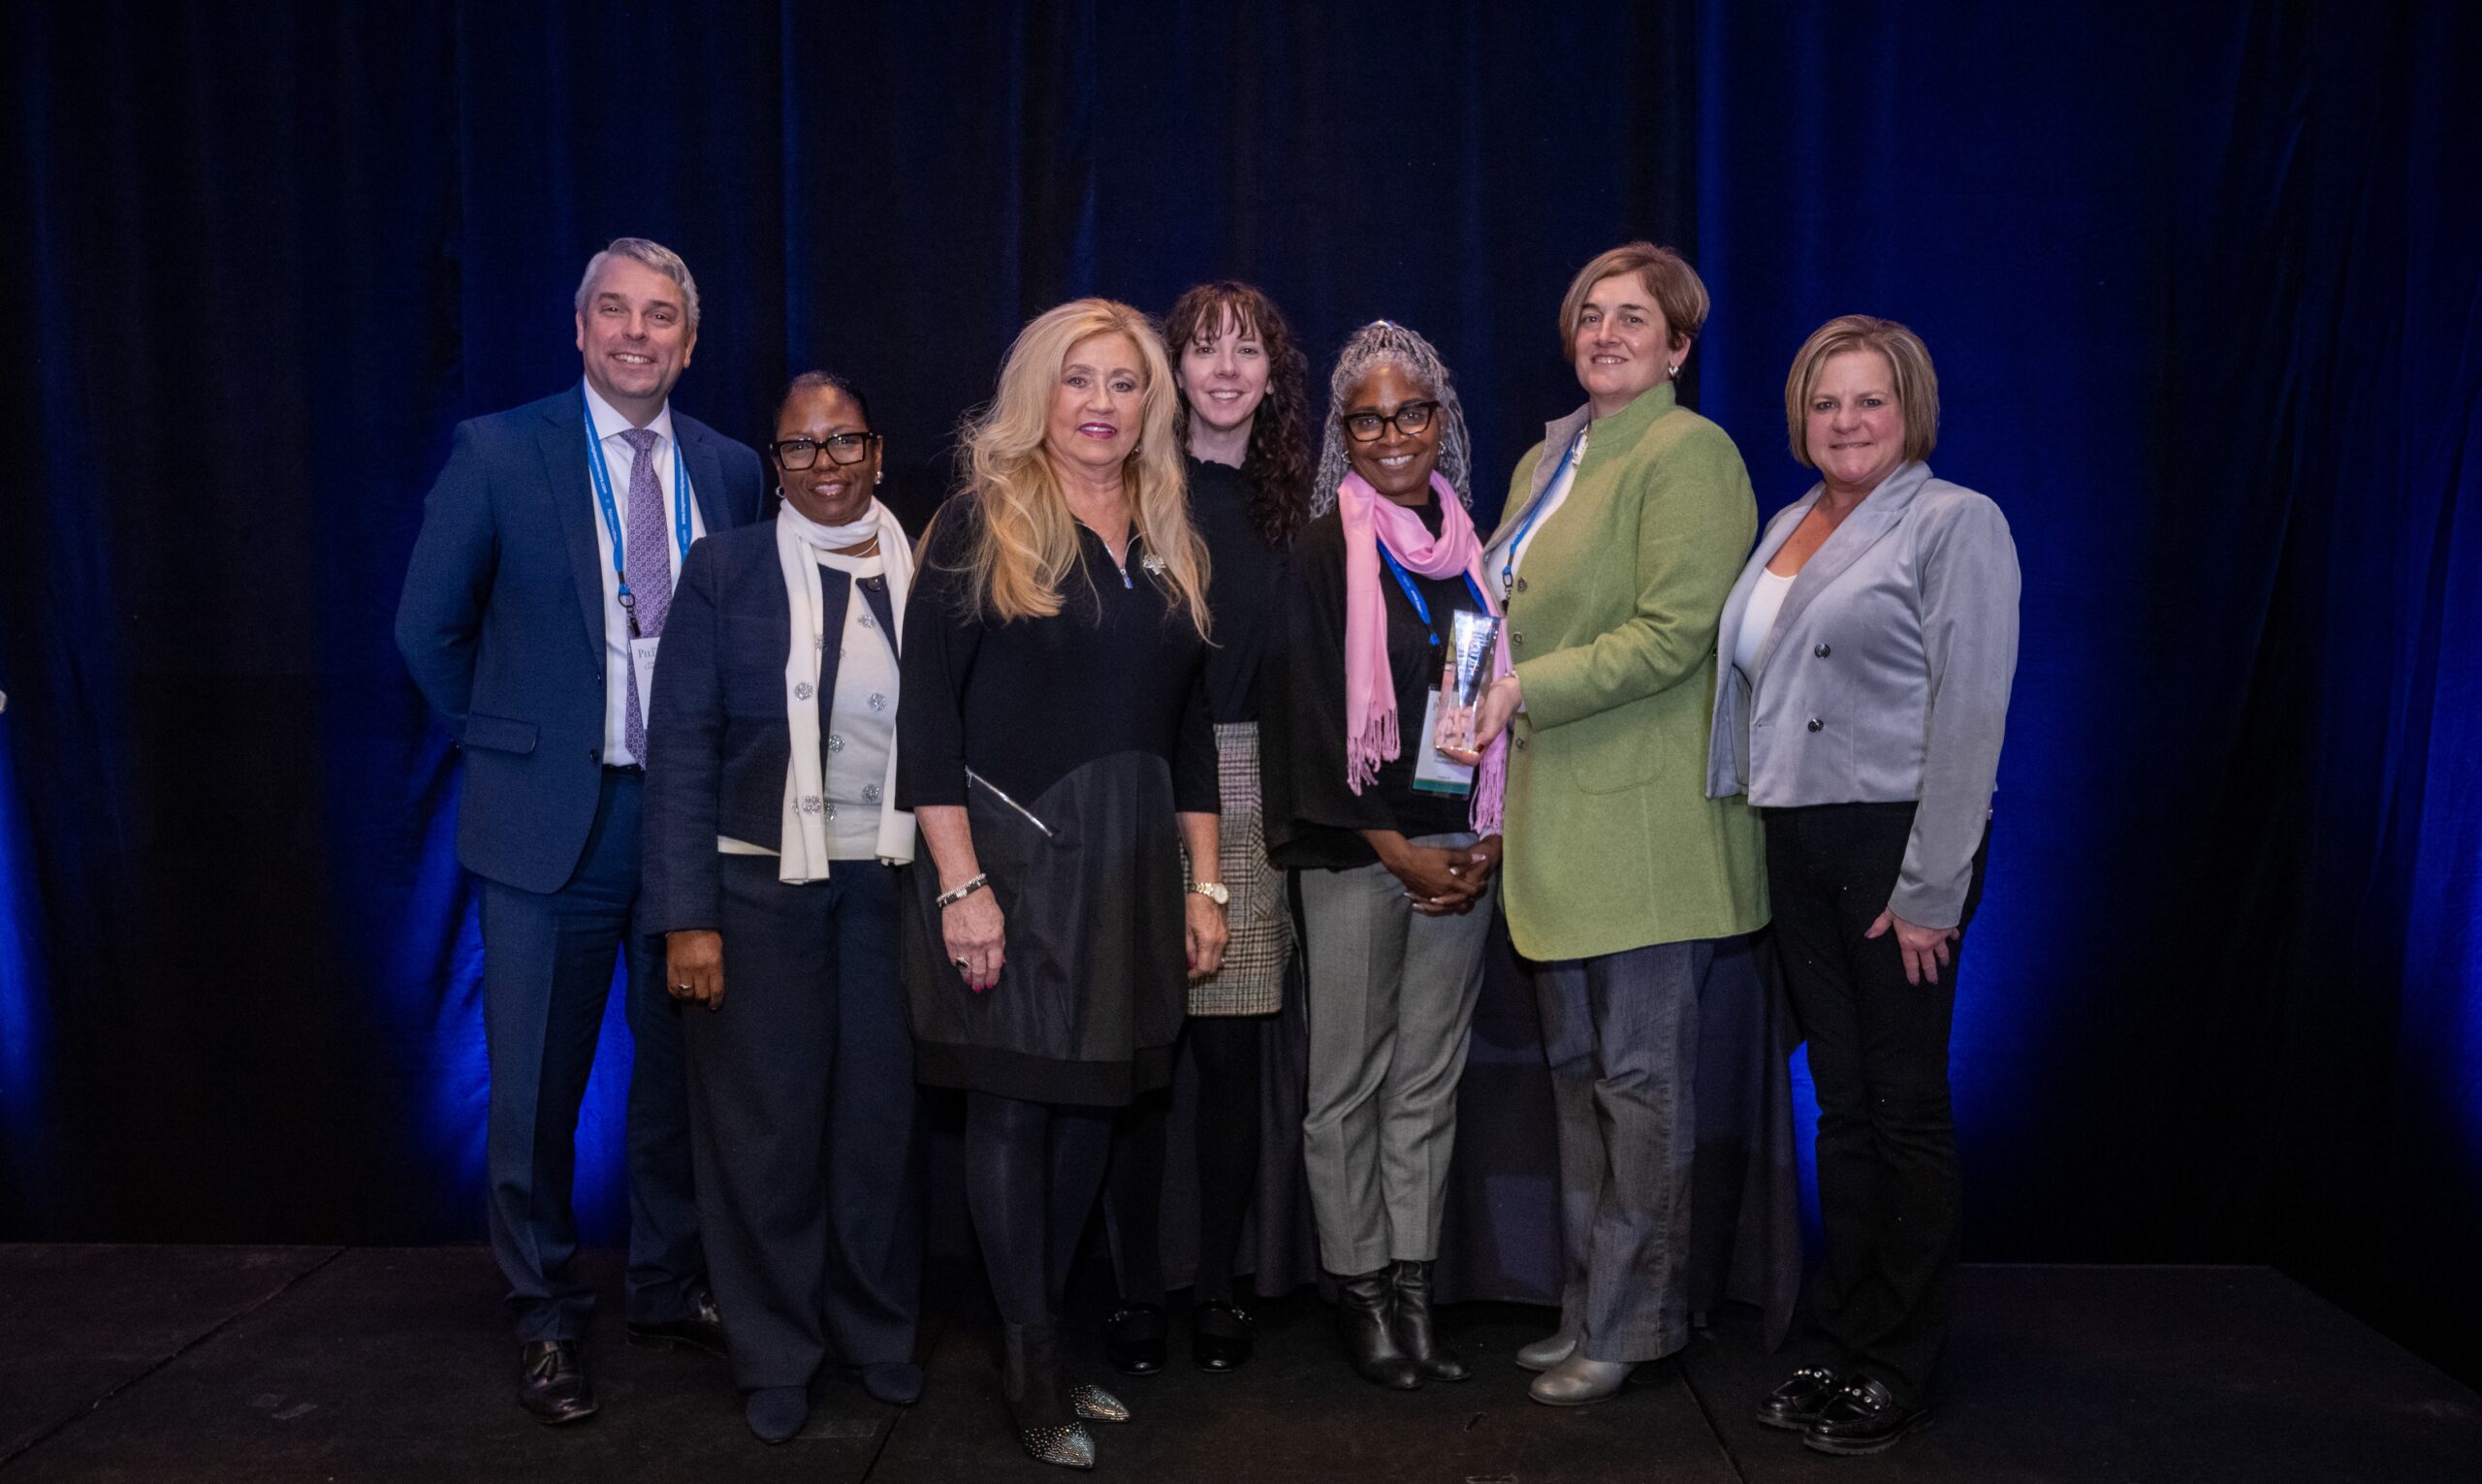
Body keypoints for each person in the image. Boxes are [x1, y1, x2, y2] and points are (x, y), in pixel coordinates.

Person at [395, 237, 762, 1423]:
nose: (635, 333)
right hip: (550, 825)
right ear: (579, 327)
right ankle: (545, 1314)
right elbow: (426, 629)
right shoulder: (500, 452)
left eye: (660, 316)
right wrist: (509, 740)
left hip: (687, 821)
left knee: (680, 1083)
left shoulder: (730, 469)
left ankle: (663, 1285)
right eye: (614, 310)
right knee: (534, 1094)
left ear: (688, 344)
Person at [896, 298, 1228, 1470]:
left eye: (1124, 383)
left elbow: (1192, 733)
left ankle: (1049, 1345)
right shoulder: (979, 520)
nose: (1101, 404)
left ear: (1151, 405)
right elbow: (927, 723)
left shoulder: (1172, 531)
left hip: (1131, 867)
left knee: (1094, 1103)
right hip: (1012, 861)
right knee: (1013, 1107)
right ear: (1039, 393)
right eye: (1078, 380)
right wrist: (960, 886)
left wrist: (1205, 886)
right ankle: (1029, 1363)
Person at [1455, 242, 1767, 1406]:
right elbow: (1498, 608)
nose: (1605, 333)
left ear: (1678, 345)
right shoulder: (1548, 457)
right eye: (1590, 314)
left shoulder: (1691, 454)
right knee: (1581, 1078)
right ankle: (1588, 1306)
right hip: (1555, 825)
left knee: (1640, 1088)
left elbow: (1674, 632)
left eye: (1633, 317)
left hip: (1644, 830)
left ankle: (1636, 1324)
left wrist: (1520, 689)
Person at [1707, 315, 2019, 1456]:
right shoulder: (1789, 522)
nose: (1845, 421)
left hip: (1896, 842)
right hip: (1797, 840)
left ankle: (1901, 1358)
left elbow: (1970, 713)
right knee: (1839, 1106)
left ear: (1910, 411)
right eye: (1825, 401)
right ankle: (1844, 1335)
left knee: (1904, 1106)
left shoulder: (1953, 521)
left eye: (1869, 400)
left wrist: (1934, 884)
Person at [640, 373, 925, 1442]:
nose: (825, 463)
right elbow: (680, 751)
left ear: (877, 450)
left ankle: (876, 1332)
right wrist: (687, 915)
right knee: (766, 1134)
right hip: (755, 890)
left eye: (843, 440)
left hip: (891, 884)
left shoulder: (930, 573)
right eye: (801, 447)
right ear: (777, 465)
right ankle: (772, 1350)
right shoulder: (725, 571)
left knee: (878, 1123)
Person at [1263, 320, 1509, 1392]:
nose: (1394, 435)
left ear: (1439, 420)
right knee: (1347, 1084)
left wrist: (1486, 834)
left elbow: (1484, 704)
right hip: (1359, 851)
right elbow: (1312, 722)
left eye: (1411, 413)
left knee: (1427, 1082)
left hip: (1458, 849)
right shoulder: (1326, 550)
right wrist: (1398, 851)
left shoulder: (1471, 549)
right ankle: (1359, 1291)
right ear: (1344, 435)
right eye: (1369, 420)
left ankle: (1415, 1291)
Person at [1100, 281, 1313, 1378]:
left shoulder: (1297, 504)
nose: (1226, 370)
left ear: (1274, 377)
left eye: (1248, 352)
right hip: (1140, 781)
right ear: (1173, 370)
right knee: (1139, 1056)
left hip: (1248, 781)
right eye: (1204, 349)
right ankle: (1138, 1287)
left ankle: (1220, 1283)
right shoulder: (1129, 487)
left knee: (1230, 1058)